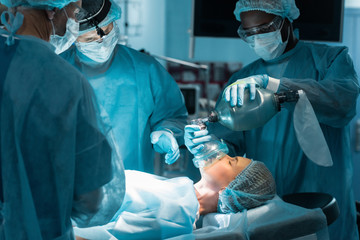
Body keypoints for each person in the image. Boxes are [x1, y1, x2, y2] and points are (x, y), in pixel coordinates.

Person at [184, 0, 360, 239]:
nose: (257, 37)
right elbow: (229, 142)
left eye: (265, 29)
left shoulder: (330, 59)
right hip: (266, 205)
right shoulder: (241, 79)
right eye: (249, 33)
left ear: (286, 20)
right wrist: (206, 145)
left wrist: (277, 86)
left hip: (323, 194)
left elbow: (343, 102)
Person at [0, 0, 125, 239]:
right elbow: (91, 203)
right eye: (75, 12)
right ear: (53, 10)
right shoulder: (63, 81)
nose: (76, 21)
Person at [61, 0, 188, 173]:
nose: (101, 41)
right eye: (90, 38)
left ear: (114, 20)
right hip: (75, 183)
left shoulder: (145, 68)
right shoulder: (57, 70)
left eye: (107, 30)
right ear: (72, 37)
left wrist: (167, 132)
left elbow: (171, 113)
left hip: (133, 183)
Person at [74, 154, 276, 240]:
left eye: (231, 161)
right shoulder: (181, 192)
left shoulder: (177, 214)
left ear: (230, 190)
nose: (222, 155)